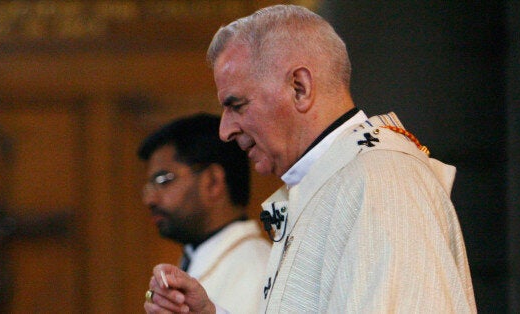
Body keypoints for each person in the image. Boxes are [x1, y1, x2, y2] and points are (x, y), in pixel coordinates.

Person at [145, 5, 477, 313]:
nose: (225, 130)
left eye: (237, 105)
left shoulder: (381, 182)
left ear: (300, 87)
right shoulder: (330, 181)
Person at [138, 113, 270, 314]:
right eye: (149, 187)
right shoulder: (195, 257)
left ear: (212, 181)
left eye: (163, 180)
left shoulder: (258, 270)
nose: (150, 199)